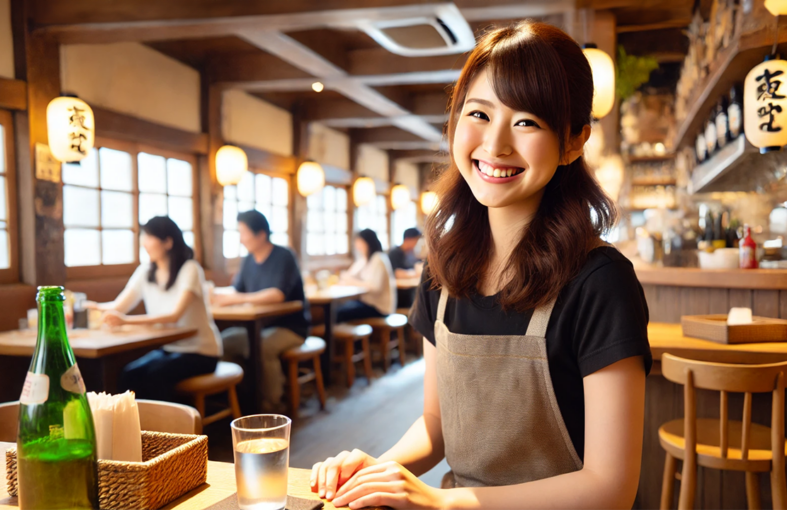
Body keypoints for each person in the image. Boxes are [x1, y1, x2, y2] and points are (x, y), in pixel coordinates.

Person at [310, 21, 651, 510]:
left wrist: (446, 503)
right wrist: (378, 470)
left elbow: (609, 488)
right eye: (479, 113)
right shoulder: (442, 270)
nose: (495, 145)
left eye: (527, 121)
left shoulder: (601, 282)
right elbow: (436, 425)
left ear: (574, 142)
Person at [85, 216, 222, 402]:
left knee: (156, 376)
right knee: (129, 374)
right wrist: (94, 308)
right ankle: (137, 429)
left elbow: (174, 316)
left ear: (167, 242)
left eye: (149, 237)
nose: (144, 243)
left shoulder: (190, 269)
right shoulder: (145, 271)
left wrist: (126, 321)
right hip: (170, 348)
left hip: (201, 352)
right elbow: (119, 307)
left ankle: (169, 428)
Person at [211, 209, 310, 410]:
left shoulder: (284, 256)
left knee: (264, 347)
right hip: (257, 327)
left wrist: (236, 299)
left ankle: (271, 404)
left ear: (261, 234)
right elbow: (237, 290)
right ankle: (243, 400)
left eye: (244, 233)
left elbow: (277, 294)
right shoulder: (248, 260)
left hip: (291, 327)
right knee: (222, 343)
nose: (241, 239)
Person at [335, 229, 397, 323]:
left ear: (367, 242)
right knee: (338, 309)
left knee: (340, 312)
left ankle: (350, 337)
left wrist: (352, 281)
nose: (357, 246)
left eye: (359, 242)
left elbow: (375, 287)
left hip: (379, 307)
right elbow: (349, 275)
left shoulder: (378, 258)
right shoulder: (366, 259)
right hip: (368, 304)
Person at [387, 227, 424, 308]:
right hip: (398, 295)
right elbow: (397, 273)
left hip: (409, 289)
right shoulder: (395, 253)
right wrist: (415, 273)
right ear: (408, 239)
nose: (416, 243)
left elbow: (418, 267)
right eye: (415, 240)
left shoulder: (411, 254)